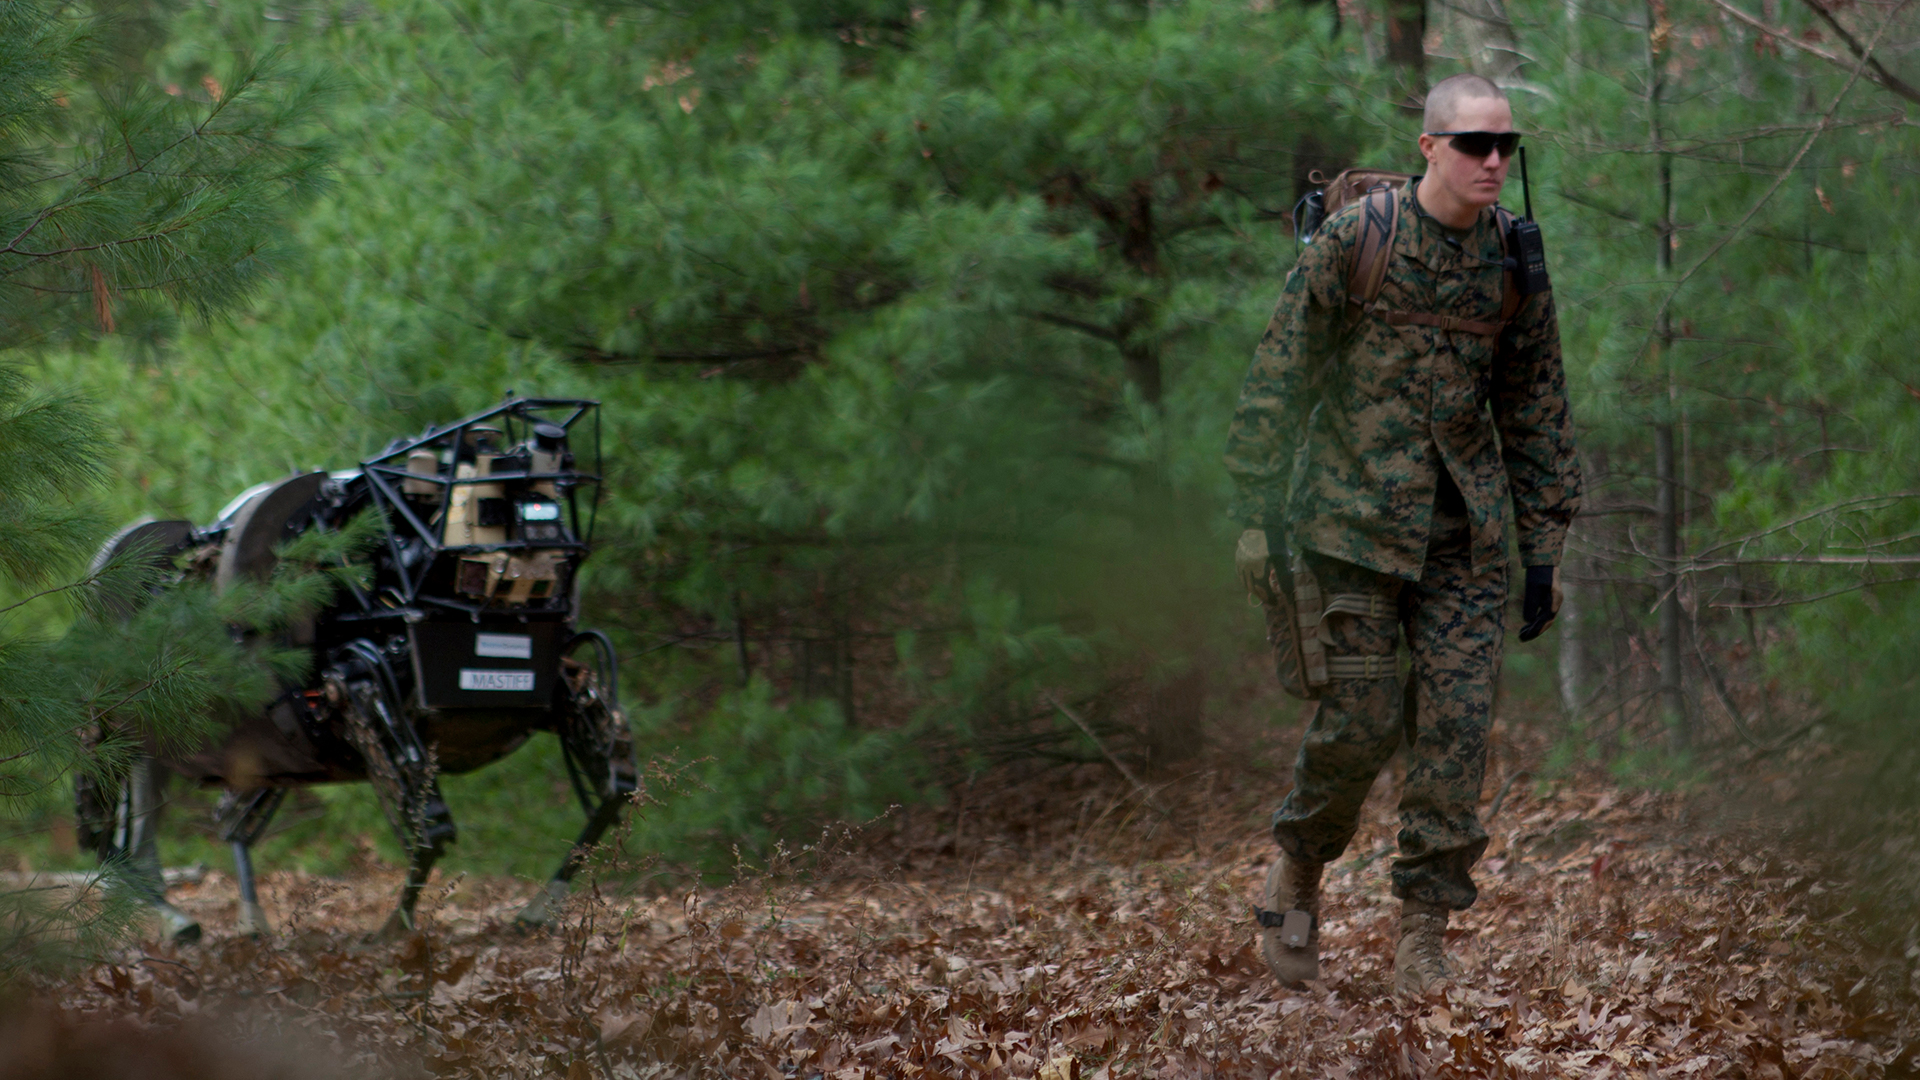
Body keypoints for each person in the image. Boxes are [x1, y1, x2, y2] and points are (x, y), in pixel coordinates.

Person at [1222, 73, 1582, 995]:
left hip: (1464, 539)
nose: (1493, 160)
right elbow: (1280, 374)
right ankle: (1297, 875)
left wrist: (1543, 547)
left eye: (1505, 145)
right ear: (1430, 147)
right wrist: (1255, 515)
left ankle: (1422, 938)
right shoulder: (1359, 240)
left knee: (1456, 734)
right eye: (1473, 144)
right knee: (1361, 721)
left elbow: (1535, 403)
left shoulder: (1514, 259)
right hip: (1348, 528)